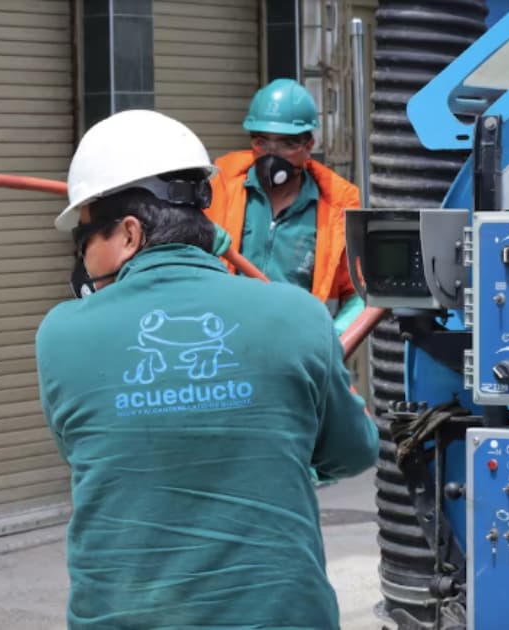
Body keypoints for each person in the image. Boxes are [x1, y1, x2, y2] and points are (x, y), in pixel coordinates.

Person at [35, 109, 378, 629]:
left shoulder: (62, 334)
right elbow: (354, 450)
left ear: (128, 234)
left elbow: (90, 452)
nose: (83, 260)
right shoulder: (299, 315)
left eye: (85, 240)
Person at [206, 78, 365, 336]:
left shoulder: (337, 210)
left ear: (309, 146)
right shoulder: (218, 191)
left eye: (286, 143)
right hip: (227, 341)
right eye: (262, 142)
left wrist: (334, 339)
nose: (272, 154)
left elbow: (358, 290)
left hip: (298, 347)